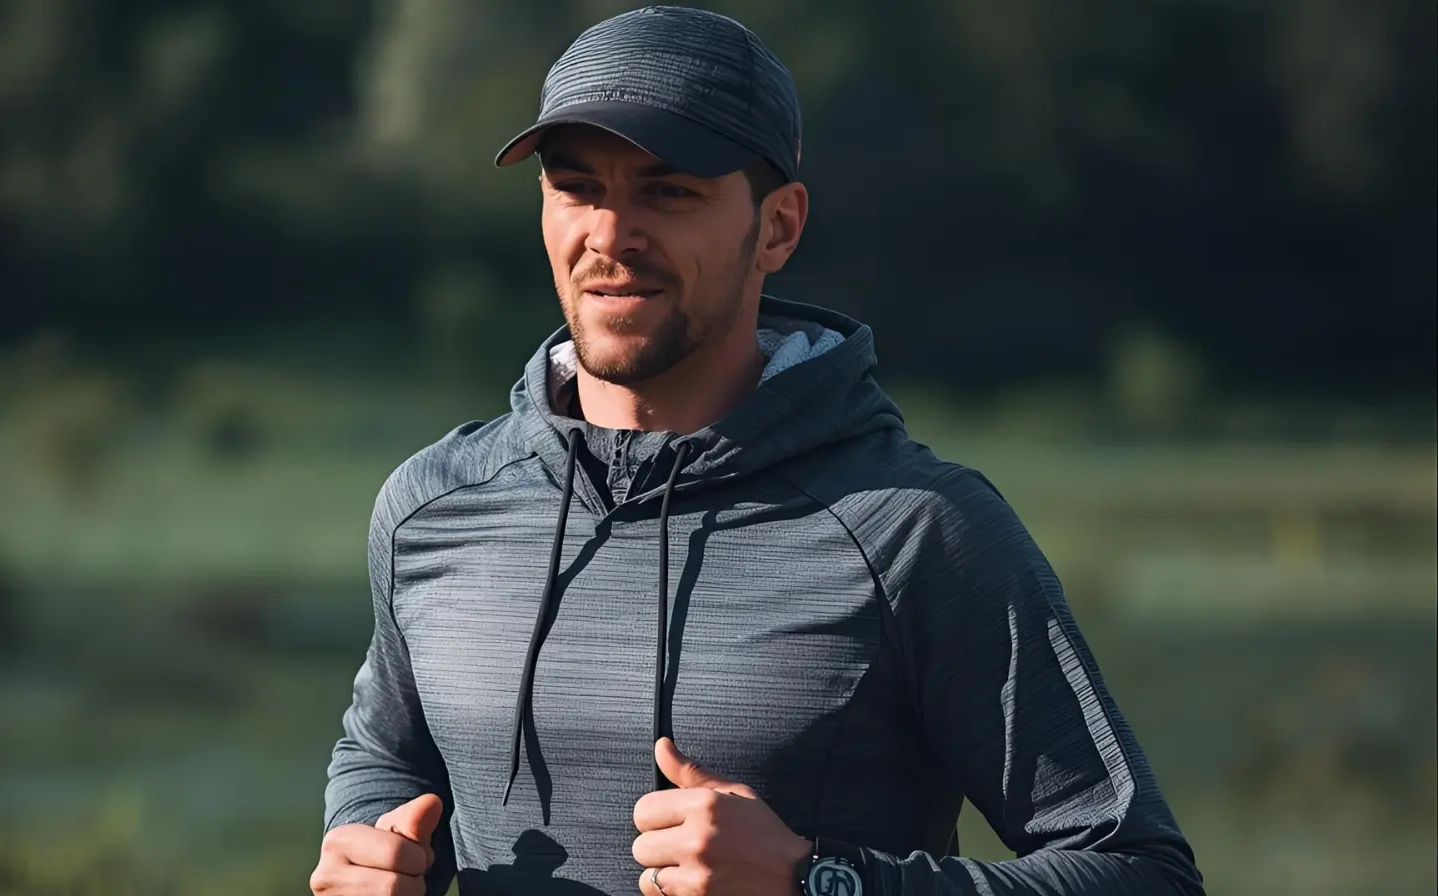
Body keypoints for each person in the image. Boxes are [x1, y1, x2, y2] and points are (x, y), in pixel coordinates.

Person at [310, 7, 1203, 896]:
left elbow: (1143, 875)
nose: (610, 236)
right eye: (577, 188)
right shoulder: (434, 504)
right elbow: (385, 759)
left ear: (777, 227)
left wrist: (817, 881)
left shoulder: (916, 531)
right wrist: (369, 847)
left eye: (669, 192)